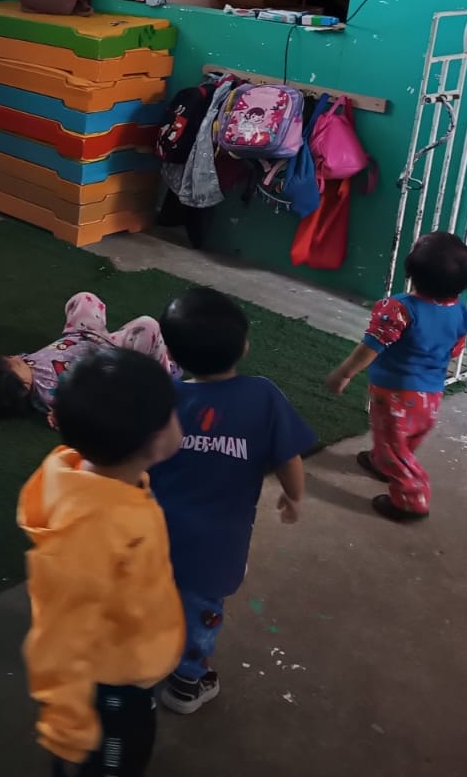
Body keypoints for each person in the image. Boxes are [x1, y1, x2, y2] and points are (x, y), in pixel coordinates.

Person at [20, 347, 185, 777]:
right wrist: (69, 728)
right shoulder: (95, 527)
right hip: (110, 688)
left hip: (128, 664)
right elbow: (59, 636)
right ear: (153, 440)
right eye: (173, 411)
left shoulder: (102, 482)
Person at [149, 287, 316, 714]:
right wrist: (294, 497)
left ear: (173, 354)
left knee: (152, 595)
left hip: (152, 532)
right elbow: (288, 457)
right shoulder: (264, 396)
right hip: (218, 545)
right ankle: (187, 682)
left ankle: (141, 656)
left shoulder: (165, 398)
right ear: (243, 346)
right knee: (201, 608)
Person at [326, 230, 467, 522]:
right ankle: (382, 462)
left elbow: (371, 346)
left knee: (395, 447)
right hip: (431, 395)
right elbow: (456, 350)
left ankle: (411, 498)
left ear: (411, 272)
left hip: (395, 393)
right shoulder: (460, 312)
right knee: (403, 439)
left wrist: (344, 373)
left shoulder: (399, 309)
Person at [0, 292, 174, 424]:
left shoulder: (25, 368)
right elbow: (78, 408)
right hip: (112, 355)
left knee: (83, 299)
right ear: (23, 388)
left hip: (84, 335)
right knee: (148, 326)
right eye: (12, 363)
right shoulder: (47, 393)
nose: (13, 357)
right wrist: (60, 416)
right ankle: (163, 373)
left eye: (8, 358)